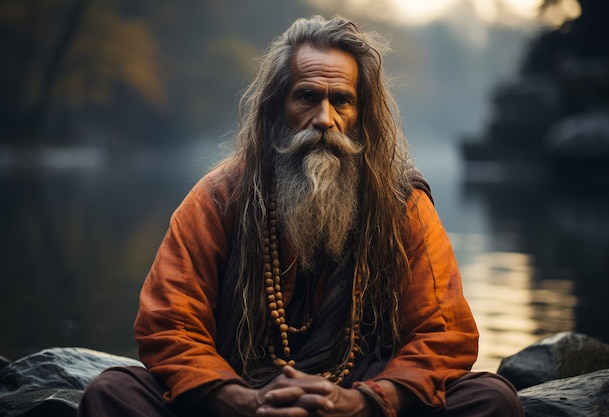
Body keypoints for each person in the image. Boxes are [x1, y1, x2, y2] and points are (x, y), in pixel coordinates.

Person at [78, 15, 523, 417]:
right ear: (276, 108)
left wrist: (366, 401)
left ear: (361, 116)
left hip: (359, 399)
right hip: (242, 396)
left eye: (342, 101)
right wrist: (240, 400)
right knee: (113, 391)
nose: (324, 118)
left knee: (491, 399)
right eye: (306, 97)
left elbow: (444, 333)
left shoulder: (401, 203)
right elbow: (170, 323)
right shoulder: (220, 196)